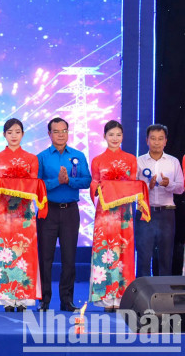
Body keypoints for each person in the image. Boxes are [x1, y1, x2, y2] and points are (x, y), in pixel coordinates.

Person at [89, 120, 150, 312]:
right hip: (105, 214)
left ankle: (123, 298)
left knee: (124, 252)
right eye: (111, 135)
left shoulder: (131, 159)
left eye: (118, 135)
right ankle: (106, 299)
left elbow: (133, 183)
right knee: (104, 251)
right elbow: (93, 184)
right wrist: (100, 188)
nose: (115, 138)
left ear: (122, 137)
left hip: (124, 213)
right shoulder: (98, 160)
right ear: (105, 136)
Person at [0, 118, 46, 312]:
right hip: (3, 213)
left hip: (25, 215)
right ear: (4, 134)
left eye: (17, 132)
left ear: (23, 134)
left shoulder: (31, 158)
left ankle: (23, 298)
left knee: (25, 252)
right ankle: (5, 298)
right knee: (4, 251)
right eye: (10, 132)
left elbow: (34, 184)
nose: (14, 135)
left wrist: (14, 185)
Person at [36, 117, 91, 312]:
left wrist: (69, 181)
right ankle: (44, 300)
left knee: (69, 257)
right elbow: (37, 185)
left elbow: (86, 180)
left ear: (68, 132)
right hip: (47, 210)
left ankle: (67, 300)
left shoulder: (78, 155)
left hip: (70, 211)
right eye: (56, 131)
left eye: (64, 131)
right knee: (45, 257)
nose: (61, 134)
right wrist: (57, 181)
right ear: (49, 134)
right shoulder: (41, 157)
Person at [136, 124, 184, 277]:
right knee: (143, 258)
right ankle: (141, 299)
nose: (156, 142)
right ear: (147, 140)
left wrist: (168, 184)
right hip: (145, 213)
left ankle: (164, 298)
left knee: (165, 257)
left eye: (160, 139)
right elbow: (133, 189)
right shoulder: (138, 162)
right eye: (153, 138)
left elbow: (181, 188)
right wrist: (146, 187)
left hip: (167, 214)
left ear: (166, 141)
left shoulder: (173, 162)